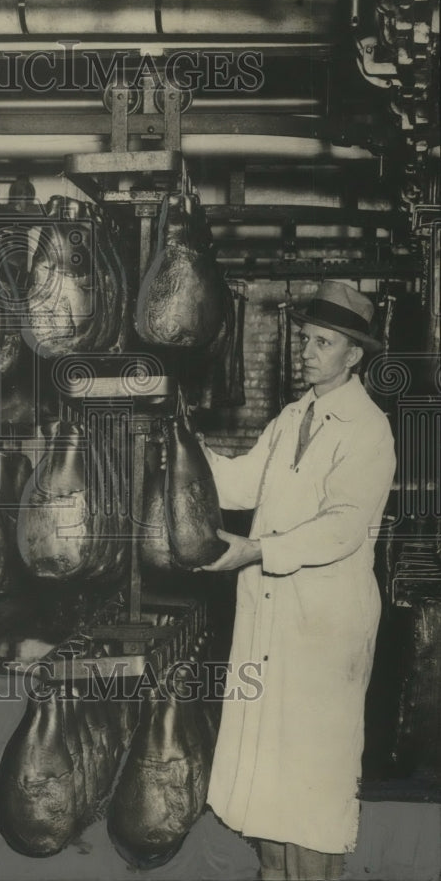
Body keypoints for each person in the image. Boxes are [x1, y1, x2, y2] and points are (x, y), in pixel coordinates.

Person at [197, 280, 397, 881]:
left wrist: (256, 550)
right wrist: (181, 446)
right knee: (272, 778)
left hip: (323, 629)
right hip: (273, 619)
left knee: (313, 784)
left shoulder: (368, 429)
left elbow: (340, 528)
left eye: (322, 341)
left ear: (353, 354)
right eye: (306, 338)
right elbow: (239, 484)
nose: (306, 351)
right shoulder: (293, 416)